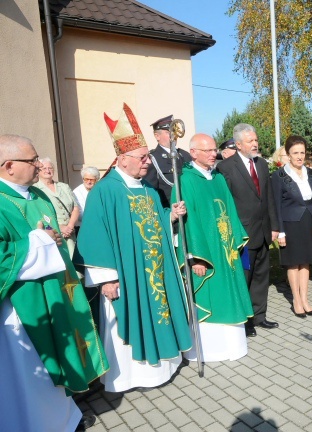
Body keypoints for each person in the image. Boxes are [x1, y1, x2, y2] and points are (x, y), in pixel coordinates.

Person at [75, 103, 192, 392]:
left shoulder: (148, 189)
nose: (148, 162)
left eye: (147, 158)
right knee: (128, 319)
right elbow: (94, 237)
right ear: (121, 159)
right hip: (125, 277)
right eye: (142, 158)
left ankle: (164, 364)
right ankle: (130, 377)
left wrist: (171, 216)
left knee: (160, 310)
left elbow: (155, 225)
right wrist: (106, 279)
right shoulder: (105, 191)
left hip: (154, 270)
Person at [0, 134, 107, 432]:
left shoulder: (39, 195)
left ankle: (66, 417)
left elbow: (48, 234)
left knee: (61, 357)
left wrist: (53, 238)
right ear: (9, 166)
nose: (39, 165)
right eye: (32, 160)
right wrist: (37, 242)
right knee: (32, 376)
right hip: (21, 309)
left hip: (57, 293)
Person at [173, 133, 253, 362]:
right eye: (207, 151)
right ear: (193, 153)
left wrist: (235, 239)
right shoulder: (185, 181)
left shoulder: (217, 177)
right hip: (205, 253)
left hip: (225, 249)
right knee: (210, 296)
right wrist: (195, 258)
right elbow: (188, 223)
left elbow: (230, 210)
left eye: (214, 150)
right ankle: (209, 351)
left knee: (228, 292)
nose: (213, 154)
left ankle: (233, 347)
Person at [216, 123, 280, 337]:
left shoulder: (261, 164)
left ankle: (260, 316)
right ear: (238, 144)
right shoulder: (226, 168)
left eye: (256, 140)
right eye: (251, 141)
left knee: (262, 276)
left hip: (263, 231)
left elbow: (268, 198)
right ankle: (246, 321)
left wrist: (273, 227)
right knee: (245, 277)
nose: (255, 144)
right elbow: (225, 205)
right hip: (242, 234)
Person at [271, 136, 312, 317]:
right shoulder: (279, 176)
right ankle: (296, 300)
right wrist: (280, 231)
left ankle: (305, 298)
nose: (299, 156)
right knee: (293, 263)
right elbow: (275, 204)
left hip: (308, 222)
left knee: (305, 262)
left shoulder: (311, 173)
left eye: (302, 152)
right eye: (295, 153)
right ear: (288, 154)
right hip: (290, 225)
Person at [143, 114, 192, 208]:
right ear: (157, 136)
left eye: (174, 131)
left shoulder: (185, 155)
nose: (173, 135)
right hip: (170, 211)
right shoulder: (152, 159)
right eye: (168, 132)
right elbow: (150, 192)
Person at [34, 157, 80, 257]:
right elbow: (37, 213)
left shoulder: (64, 186)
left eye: (50, 168)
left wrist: (70, 226)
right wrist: (59, 227)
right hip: (53, 233)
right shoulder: (35, 189)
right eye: (44, 168)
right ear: (38, 171)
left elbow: (76, 208)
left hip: (69, 233)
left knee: (73, 263)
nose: (48, 171)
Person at [72, 166, 100, 232]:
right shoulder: (77, 192)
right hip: (83, 227)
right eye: (86, 179)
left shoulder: (99, 189)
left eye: (92, 179)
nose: (89, 182)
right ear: (83, 179)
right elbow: (80, 213)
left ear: (96, 179)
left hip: (99, 225)